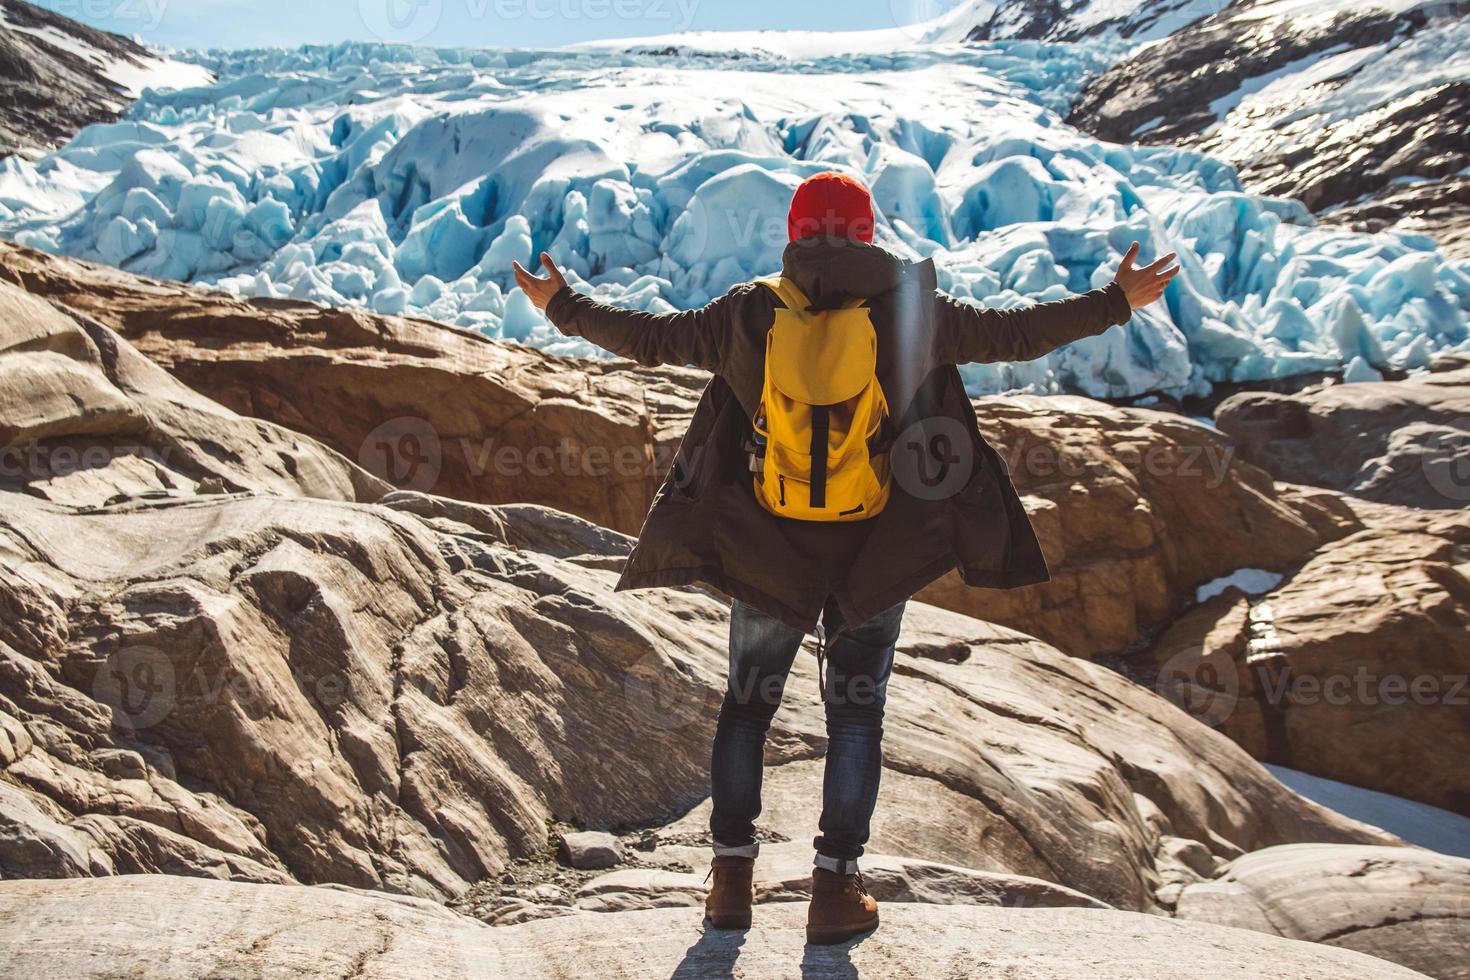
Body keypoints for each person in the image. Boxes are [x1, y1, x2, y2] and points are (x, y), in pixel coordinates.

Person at [514, 171, 1177, 945]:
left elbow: (649, 339)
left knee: (746, 708)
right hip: (875, 553)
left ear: (795, 236)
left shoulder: (749, 311)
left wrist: (560, 305)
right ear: (868, 234)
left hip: (769, 546)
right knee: (856, 716)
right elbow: (1017, 332)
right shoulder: (912, 314)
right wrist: (1116, 301)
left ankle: (730, 884)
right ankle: (835, 891)